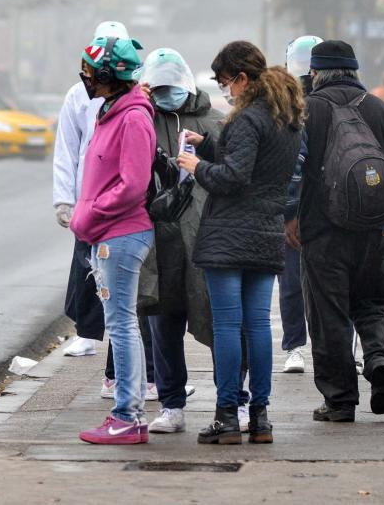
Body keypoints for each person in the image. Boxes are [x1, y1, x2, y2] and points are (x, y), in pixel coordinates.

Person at [292, 40, 384, 423]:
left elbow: (293, 171)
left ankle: (339, 401)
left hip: (324, 232)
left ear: (315, 73)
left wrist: (289, 215)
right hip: (379, 229)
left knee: (329, 312)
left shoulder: (308, 111)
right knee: (371, 304)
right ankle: (380, 357)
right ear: (354, 71)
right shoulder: (382, 109)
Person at [178, 41, 303, 446]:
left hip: (230, 235)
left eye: (224, 81)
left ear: (243, 78)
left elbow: (234, 177)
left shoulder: (247, 118)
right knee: (258, 327)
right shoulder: (284, 118)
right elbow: (257, 165)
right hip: (266, 234)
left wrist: (198, 167)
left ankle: (227, 416)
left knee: (228, 327)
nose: (223, 90)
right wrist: (209, 145)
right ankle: (261, 419)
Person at [53, 22, 157, 396]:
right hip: (106, 229)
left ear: (107, 76)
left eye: (88, 73)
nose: (84, 80)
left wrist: (91, 211)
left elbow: (132, 184)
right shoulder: (112, 109)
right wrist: (71, 202)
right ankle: (126, 406)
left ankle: (128, 410)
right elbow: (69, 153)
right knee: (119, 322)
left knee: (123, 325)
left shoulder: (130, 116)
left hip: (119, 231)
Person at [138, 48, 222, 435]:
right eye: (158, 88)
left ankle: (231, 400)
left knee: (218, 322)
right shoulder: (140, 120)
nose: (165, 93)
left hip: (205, 238)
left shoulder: (213, 122)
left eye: (171, 87)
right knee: (162, 325)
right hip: (157, 240)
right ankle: (172, 405)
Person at [279, 34, 322, 375]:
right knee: (307, 281)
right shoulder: (285, 105)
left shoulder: (291, 103)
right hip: (323, 205)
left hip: (307, 206)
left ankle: (298, 345)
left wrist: (287, 214)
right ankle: (298, 344)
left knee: (295, 281)